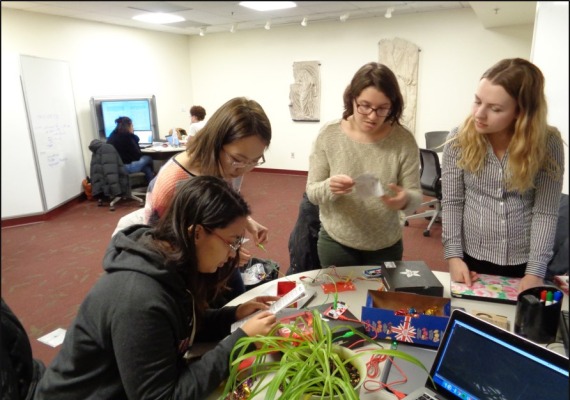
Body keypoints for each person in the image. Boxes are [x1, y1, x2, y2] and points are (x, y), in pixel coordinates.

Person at [33, 176, 279, 400]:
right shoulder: (138, 300)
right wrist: (240, 341)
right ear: (196, 233)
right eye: (232, 241)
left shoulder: (173, 264)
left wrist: (232, 316)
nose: (233, 252)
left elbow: (178, 327)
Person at [441, 58, 564, 293]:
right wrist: (453, 256)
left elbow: (545, 212)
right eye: (477, 101)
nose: (479, 114)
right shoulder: (459, 139)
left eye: (495, 109)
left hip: (524, 260)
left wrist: (535, 271)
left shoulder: (548, 143)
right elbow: (453, 202)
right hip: (472, 256)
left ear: (521, 112)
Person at [145, 97, 271, 302]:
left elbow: (225, 207)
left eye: (254, 161)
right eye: (239, 160)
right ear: (217, 141)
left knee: (239, 303)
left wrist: (247, 222)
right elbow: (163, 249)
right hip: (186, 273)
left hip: (217, 258)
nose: (244, 169)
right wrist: (227, 251)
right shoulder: (173, 183)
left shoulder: (227, 165)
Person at [306, 62, 422, 267]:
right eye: (365, 106)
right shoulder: (330, 134)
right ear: (352, 99)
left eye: (382, 109)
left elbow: (415, 197)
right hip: (337, 241)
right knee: (338, 298)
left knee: (380, 299)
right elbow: (312, 192)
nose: (372, 116)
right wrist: (329, 186)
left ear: (393, 105)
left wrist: (405, 200)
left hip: (386, 244)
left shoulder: (403, 140)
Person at [106, 116, 155, 184]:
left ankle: (151, 187)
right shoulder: (128, 137)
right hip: (126, 167)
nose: (133, 128)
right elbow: (137, 156)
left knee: (146, 168)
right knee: (148, 158)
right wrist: (134, 137)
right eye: (132, 126)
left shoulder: (112, 136)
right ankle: (154, 189)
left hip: (115, 168)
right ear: (128, 126)